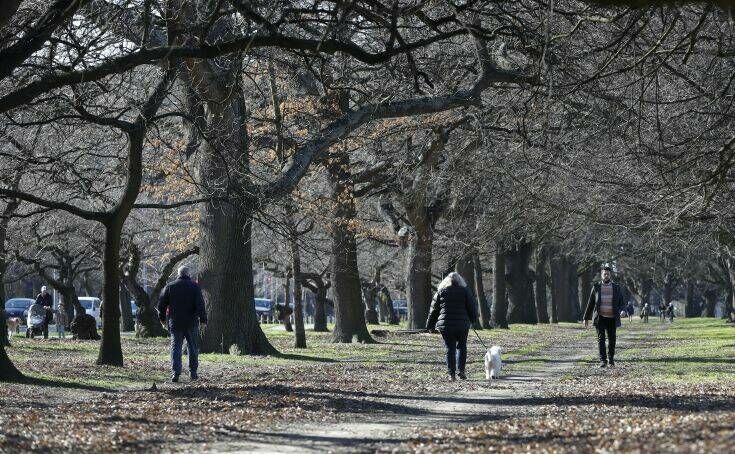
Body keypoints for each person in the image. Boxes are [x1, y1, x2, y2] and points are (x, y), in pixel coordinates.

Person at [158, 266, 207, 382]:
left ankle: (175, 373)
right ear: (188, 274)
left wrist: (162, 319)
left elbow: (161, 304)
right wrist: (203, 320)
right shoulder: (195, 287)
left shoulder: (170, 286)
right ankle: (193, 372)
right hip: (191, 322)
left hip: (175, 322)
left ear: (178, 274)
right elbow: (200, 305)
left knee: (176, 347)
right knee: (193, 347)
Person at [426, 272, 478, 381]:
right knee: (462, 347)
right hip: (462, 325)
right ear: (460, 281)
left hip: (446, 326)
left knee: (450, 348)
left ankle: (451, 374)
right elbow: (472, 307)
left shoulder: (441, 291)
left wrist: (430, 325)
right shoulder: (465, 291)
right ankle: (461, 371)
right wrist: (473, 320)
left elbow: (434, 310)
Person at [583, 266, 625, 368]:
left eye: (608, 274)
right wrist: (586, 318)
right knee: (601, 339)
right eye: (604, 274)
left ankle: (611, 360)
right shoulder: (596, 287)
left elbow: (621, 302)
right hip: (600, 317)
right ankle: (603, 360)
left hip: (612, 317)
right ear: (601, 275)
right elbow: (591, 303)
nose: (606, 276)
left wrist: (623, 310)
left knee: (612, 339)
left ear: (610, 275)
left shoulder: (616, 287)